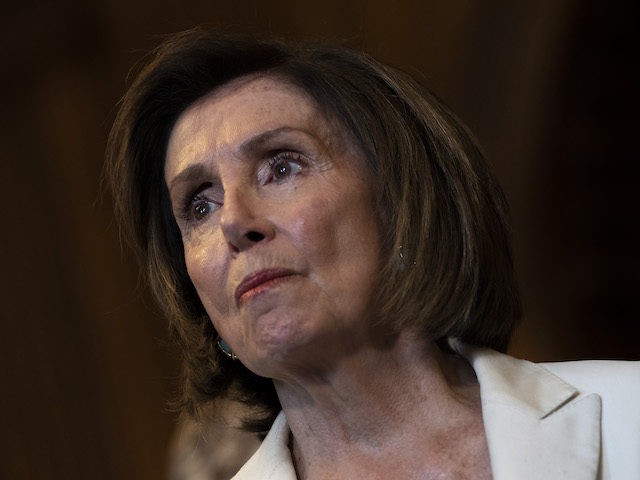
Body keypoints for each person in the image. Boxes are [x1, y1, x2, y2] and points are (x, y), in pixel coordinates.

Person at [106, 28, 639, 480]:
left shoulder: (628, 415)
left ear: (400, 201)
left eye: (281, 167)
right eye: (199, 206)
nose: (233, 222)